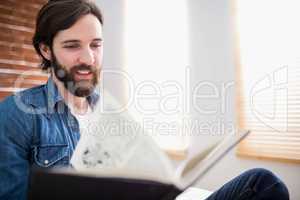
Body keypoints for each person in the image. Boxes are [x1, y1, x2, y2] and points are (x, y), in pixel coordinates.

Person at [0, 0, 290, 200]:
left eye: (96, 45)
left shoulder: (109, 110)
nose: (88, 58)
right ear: (46, 50)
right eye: (72, 46)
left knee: (262, 183)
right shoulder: (16, 115)